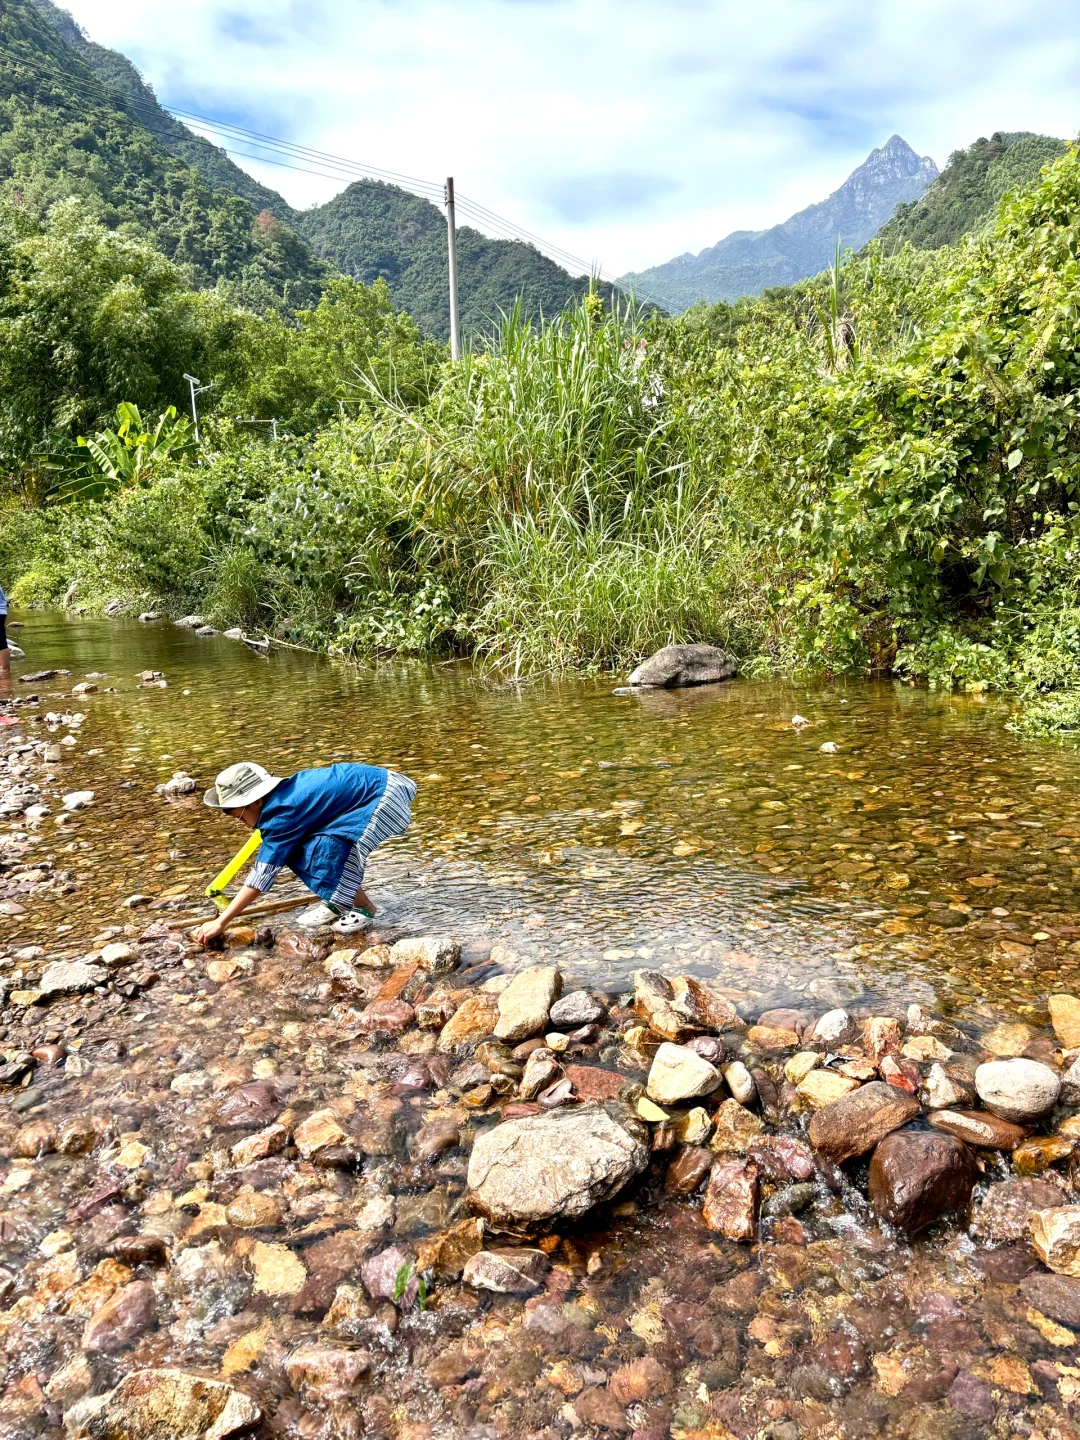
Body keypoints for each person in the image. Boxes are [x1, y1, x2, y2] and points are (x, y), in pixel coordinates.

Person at [192, 759, 416, 946]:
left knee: (322, 852)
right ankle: (339, 902)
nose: (238, 821)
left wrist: (222, 921)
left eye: (235, 814)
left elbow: (261, 876)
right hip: (381, 785)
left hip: (385, 797)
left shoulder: (282, 814)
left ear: (256, 801)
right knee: (301, 849)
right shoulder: (281, 798)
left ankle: (364, 909)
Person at [0, 583, 9, 679]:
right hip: (1, 612)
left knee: (1, 644)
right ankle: (5, 673)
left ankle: (5, 674)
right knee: (2, 643)